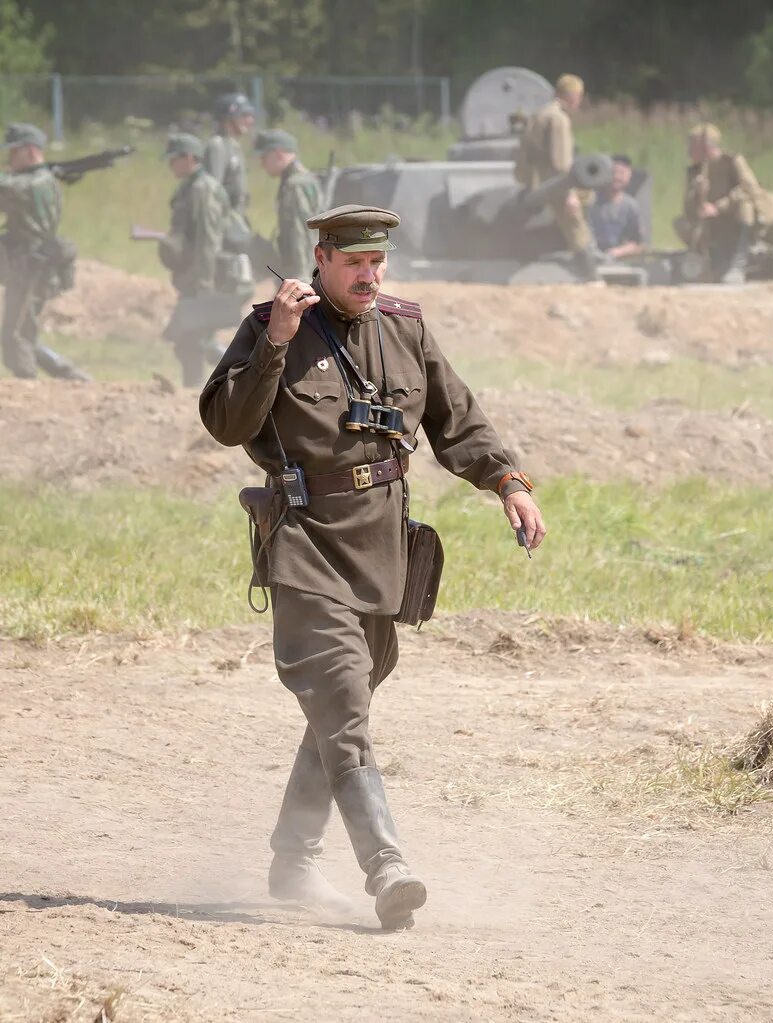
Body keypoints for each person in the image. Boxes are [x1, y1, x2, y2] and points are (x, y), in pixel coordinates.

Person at [199, 204, 546, 930]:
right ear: (319, 259)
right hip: (305, 545)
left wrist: (507, 483)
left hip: (382, 550)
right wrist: (277, 344)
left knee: (342, 705)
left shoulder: (404, 326)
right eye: (353, 262)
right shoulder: (272, 326)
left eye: (376, 262)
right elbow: (228, 423)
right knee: (343, 705)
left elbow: (457, 419)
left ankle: (292, 861)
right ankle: (386, 865)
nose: (368, 274)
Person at [0, 123, 89, 381]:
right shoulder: (37, 179)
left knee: (16, 334)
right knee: (22, 331)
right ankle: (72, 377)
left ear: (29, 151)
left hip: (31, 265)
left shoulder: (31, 182)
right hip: (26, 263)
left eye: (13, 152)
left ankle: (33, 385)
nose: (9, 159)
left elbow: (8, 186)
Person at [159, 133, 247, 387]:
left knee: (195, 337)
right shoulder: (191, 187)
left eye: (174, 159)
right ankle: (196, 386)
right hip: (196, 274)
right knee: (191, 337)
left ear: (188, 158)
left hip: (205, 275)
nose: (170, 165)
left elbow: (208, 240)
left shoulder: (203, 189)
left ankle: (240, 377)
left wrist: (204, 284)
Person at [673, 123, 773, 284]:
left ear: (707, 147)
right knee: (682, 224)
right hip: (714, 224)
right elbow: (688, 209)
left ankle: (739, 262)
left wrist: (718, 207)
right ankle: (708, 260)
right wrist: (696, 193)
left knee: (745, 206)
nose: (689, 150)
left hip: (736, 216)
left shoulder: (732, 161)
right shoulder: (695, 171)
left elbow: (749, 189)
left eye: (693, 146)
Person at [514, 73, 598, 279]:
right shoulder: (559, 119)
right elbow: (561, 163)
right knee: (575, 223)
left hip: (538, 181)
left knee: (588, 196)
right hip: (554, 183)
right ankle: (590, 273)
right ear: (573, 96)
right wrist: (569, 194)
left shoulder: (539, 115)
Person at [254, 129, 324, 282]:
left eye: (264, 158)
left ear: (278, 154)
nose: (262, 164)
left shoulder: (294, 185)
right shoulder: (304, 178)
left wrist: (301, 277)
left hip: (302, 268)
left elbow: (301, 234)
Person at [204, 92, 255, 220]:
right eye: (244, 115)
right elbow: (213, 191)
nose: (250, 121)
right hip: (224, 221)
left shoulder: (233, 145)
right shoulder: (217, 146)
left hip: (235, 218)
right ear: (227, 119)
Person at [589, 154, 644, 260]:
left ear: (629, 176)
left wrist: (616, 252)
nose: (617, 177)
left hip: (616, 258)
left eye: (622, 173)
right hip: (590, 255)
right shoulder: (591, 201)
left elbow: (637, 243)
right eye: (613, 172)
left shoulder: (630, 206)